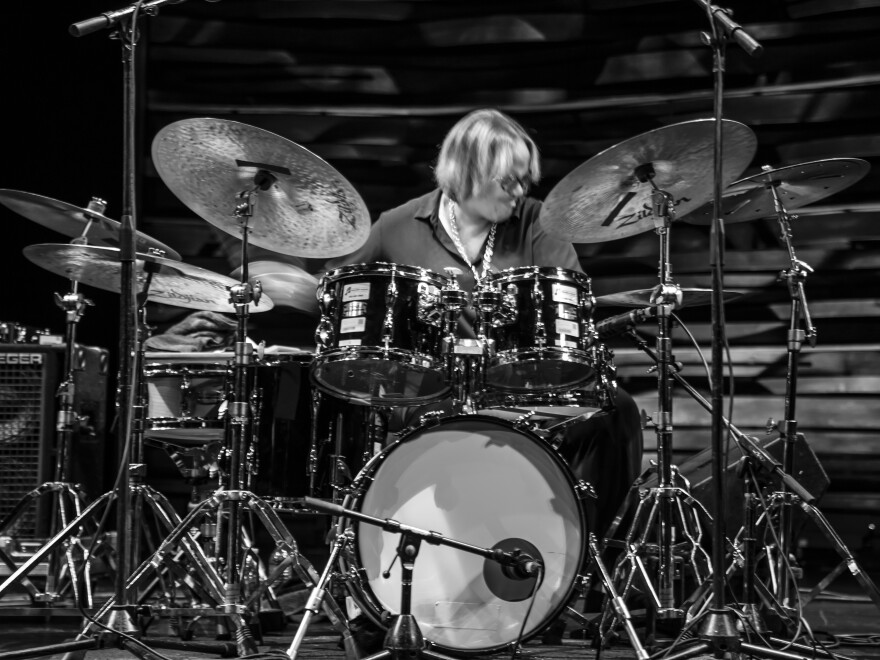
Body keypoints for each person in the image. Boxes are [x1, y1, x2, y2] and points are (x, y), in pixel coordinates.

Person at [321, 108, 643, 540]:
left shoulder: (536, 222)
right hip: (425, 392)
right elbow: (339, 297)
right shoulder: (396, 226)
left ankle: (586, 561)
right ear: (468, 171)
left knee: (617, 409)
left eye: (524, 179)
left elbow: (567, 306)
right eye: (508, 179)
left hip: (519, 387)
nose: (519, 190)